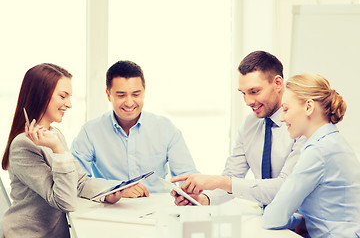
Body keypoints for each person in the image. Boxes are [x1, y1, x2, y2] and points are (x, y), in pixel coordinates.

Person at [1, 63, 127, 237]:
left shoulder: (54, 135)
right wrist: (58, 149)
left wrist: (106, 194)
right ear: (41, 95)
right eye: (63, 96)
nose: (69, 104)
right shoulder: (24, 145)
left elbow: (79, 180)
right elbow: (64, 201)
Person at [170, 51, 306, 206]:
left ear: (277, 83)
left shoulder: (302, 124)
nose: (248, 101)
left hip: (299, 225)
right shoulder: (250, 124)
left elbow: (285, 188)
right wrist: (202, 199)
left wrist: (217, 181)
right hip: (267, 220)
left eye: (254, 92)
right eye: (243, 93)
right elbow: (233, 177)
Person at [71, 60, 198, 198]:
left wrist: (191, 192)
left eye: (136, 94)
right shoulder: (90, 131)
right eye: (121, 95)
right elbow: (76, 180)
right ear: (108, 95)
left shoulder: (165, 128)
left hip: (157, 208)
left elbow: (186, 175)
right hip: (109, 208)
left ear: (144, 92)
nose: (129, 102)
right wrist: (118, 188)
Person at [263, 73, 360, 237]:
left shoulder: (318, 151)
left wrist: (299, 220)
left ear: (309, 107)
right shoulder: (333, 142)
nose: (281, 118)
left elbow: (273, 218)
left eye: (286, 109)